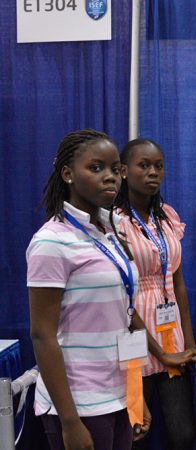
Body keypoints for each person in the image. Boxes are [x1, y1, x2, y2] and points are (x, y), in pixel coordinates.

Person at [27, 129, 151, 450]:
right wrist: (70, 421)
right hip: (79, 403)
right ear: (68, 174)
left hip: (119, 396)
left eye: (115, 169)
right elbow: (42, 335)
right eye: (96, 168)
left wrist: (135, 395)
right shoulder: (51, 241)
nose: (110, 177)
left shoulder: (111, 231)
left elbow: (124, 321)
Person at [114, 138, 196, 450]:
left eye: (158, 166)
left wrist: (190, 342)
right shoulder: (114, 223)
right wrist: (161, 353)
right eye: (144, 165)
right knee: (136, 431)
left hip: (172, 335)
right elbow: (121, 295)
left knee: (182, 434)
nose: (153, 172)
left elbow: (177, 283)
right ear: (124, 171)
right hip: (133, 336)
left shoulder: (166, 217)